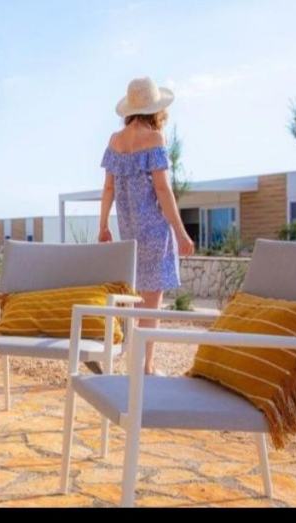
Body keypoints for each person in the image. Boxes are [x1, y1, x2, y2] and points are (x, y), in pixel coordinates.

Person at [98, 77, 195, 375]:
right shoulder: (155, 139)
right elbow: (163, 190)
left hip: (129, 234)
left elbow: (108, 188)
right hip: (154, 232)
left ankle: (133, 364)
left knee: (136, 303)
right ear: (155, 109)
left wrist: (103, 226)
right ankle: (146, 368)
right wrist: (181, 233)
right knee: (151, 304)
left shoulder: (115, 141)